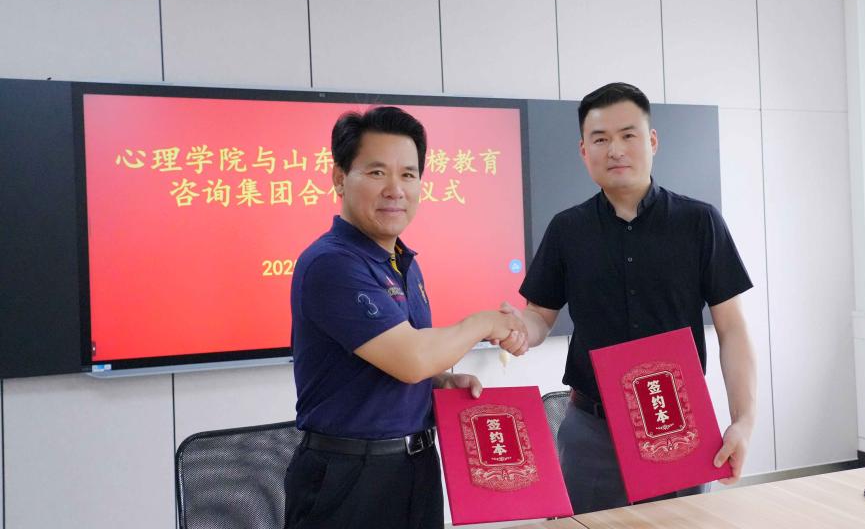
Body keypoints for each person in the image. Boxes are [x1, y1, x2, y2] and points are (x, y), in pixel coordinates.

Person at [499, 82, 757, 514]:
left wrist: (743, 420)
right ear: (584, 151)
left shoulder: (699, 222)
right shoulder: (567, 229)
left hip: (677, 421)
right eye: (600, 139)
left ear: (652, 141)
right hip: (592, 431)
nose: (615, 149)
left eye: (628, 135)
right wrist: (516, 328)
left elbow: (732, 329)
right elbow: (539, 316)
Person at [284, 106, 526, 529]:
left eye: (409, 175)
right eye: (377, 172)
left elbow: (401, 363)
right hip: (348, 479)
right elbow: (412, 358)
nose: (395, 189)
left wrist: (439, 383)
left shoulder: (402, 262)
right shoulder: (331, 263)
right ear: (339, 178)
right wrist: (487, 322)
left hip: (415, 466)